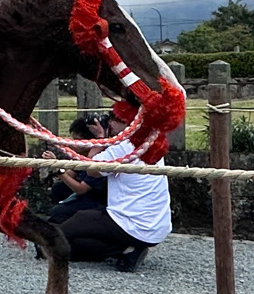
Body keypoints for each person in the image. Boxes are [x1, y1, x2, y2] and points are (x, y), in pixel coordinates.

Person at [58, 110, 172, 273]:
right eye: (110, 117)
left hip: (130, 221)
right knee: (80, 238)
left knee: (77, 222)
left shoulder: (125, 146)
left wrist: (100, 140)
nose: (110, 123)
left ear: (131, 124)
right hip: (155, 224)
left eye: (117, 119)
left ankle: (49, 243)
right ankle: (128, 250)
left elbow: (91, 169)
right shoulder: (149, 141)